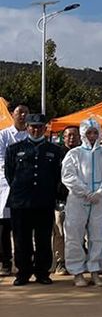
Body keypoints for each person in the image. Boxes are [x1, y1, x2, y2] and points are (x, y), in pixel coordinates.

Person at [5, 113, 62, 286]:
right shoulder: (14, 149)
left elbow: (57, 176)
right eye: (32, 127)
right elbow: (10, 174)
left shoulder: (54, 150)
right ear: (27, 127)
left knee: (43, 239)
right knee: (21, 239)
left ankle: (42, 272)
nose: (36, 130)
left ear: (45, 128)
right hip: (21, 202)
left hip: (44, 202)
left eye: (39, 127)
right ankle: (23, 272)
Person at [61, 118, 102, 287]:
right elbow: (68, 175)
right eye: (89, 133)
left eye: (95, 132)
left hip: (100, 200)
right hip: (77, 200)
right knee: (74, 235)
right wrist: (85, 191)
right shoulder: (74, 154)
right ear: (83, 133)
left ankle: (95, 271)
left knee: (98, 235)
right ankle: (77, 272)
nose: (92, 136)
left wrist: (99, 192)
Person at [0, 103, 29, 277]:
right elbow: (1, 159)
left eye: (26, 112)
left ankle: (23, 264)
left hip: (26, 189)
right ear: (12, 114)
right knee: (4, 228)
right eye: (20, 112)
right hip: (6, 185)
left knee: (22, 230)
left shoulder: (31, 135)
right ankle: (5, 262)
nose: (23, 115)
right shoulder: (3, 135)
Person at [52, 125, 81, 275]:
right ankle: (60, 262)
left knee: (78, 232)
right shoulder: (56, 153)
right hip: (60, 199)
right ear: (63, 137)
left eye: (74, 135)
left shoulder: (84, 153)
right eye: (68, 135)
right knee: (59, 232)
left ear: (80, 137)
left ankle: (77, 261)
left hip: (80, 199)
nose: (71, 138)